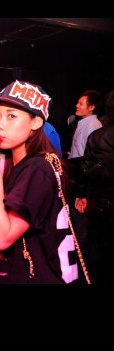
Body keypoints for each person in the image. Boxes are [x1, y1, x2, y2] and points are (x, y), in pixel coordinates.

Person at [0, 80, 80, 284]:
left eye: (11, 116)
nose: (0, 124)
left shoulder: (37, 169)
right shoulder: (29, 163)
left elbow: (1, 239)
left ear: (36, 122)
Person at [75, 89, 114, 284]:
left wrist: (83, 194)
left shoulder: (98, 135)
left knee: (97, 250)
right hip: (102, 201)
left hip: (101, 203)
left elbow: (86, 170)